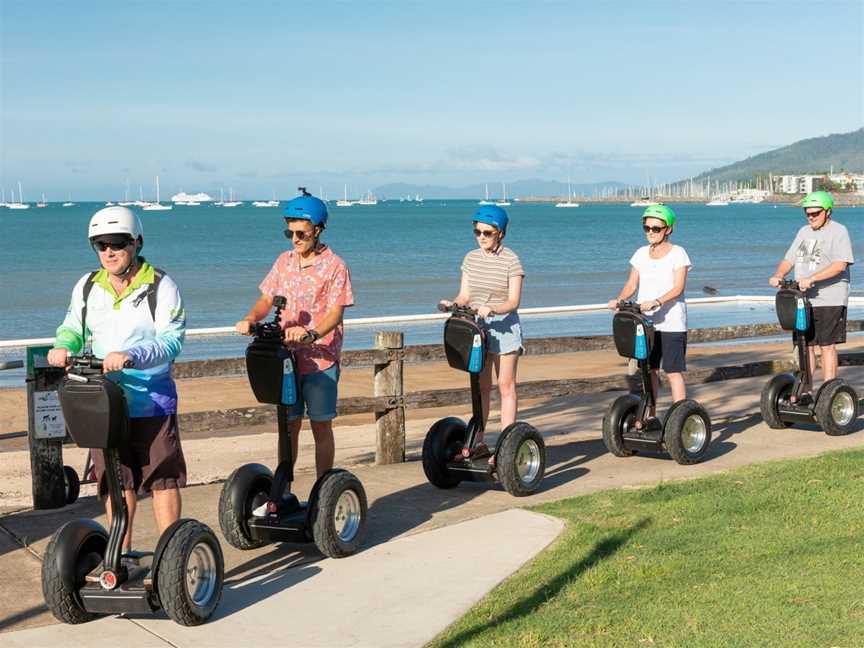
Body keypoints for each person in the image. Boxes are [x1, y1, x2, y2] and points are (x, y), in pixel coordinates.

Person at [47, 206, 187, 553]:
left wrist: (134, 355)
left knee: (162, 478)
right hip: (103, 399)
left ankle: (171, 557)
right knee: (114, 479)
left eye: (118, 243)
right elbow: (72, 327)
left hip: (151, 399)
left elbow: (173, 339)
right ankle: (119, 558)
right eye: (101, 244)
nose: (109, 251)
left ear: (136, 242)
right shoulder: (87, 286)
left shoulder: (161, 285)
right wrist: (62, 346)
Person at [235, 192, 353, 479]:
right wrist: (251, 318)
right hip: (284, 357)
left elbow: (335, 313)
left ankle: (323, 490)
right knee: (288, 425)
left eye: (301, 232)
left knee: (321, 426)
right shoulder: (284, 261)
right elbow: (267, 299)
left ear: (318, 229)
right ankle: (282, 487)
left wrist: (311, 334)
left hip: (320, 359)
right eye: (290, 232)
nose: (295, 239)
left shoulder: (335, 265)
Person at [438, 205, 525, 462]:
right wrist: (452, 305)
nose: (481, 237)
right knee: (482, 387)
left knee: (505, 386)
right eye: (477, 232)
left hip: (505, 329)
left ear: (500, 232)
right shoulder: (470, 259)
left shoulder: (511, 260)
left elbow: (514, 301)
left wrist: (492, 309)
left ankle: (506, 446)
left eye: (487, 233)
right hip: (477, 329)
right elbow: (465, 295)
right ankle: (478, 442)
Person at [608, 204, 691, 423]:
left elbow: (678, 287)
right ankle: (650, 415)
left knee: (673, 372)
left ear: (668, 229)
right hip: (646, 323)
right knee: (650, 371)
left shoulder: (678, 253)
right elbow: (631, 283)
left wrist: (657, 301)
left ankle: (679, 418)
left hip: (672, 323)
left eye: (656, 228)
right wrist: (620, 300)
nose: (651, 232)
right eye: (647, 228)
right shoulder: (640, 254)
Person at [768, 190, 854, 399]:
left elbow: (840, 265)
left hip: (830, 297)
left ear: (828, 211)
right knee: (805, 346)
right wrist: (778, 274)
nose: (811, 217)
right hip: (803, 299)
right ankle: (806, 389)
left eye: (815, 213)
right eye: (808, 213)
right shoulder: (803, 232)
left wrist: (812, 278)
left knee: (826, 345)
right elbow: (789, 259)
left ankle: (828, 392)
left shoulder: (838, 231)